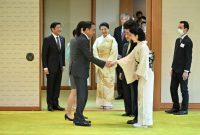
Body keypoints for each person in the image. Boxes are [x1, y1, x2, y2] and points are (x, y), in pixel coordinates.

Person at [110, 20, 154, 128]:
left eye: (131, 34)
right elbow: (128, 59)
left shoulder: (143, 47)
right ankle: (141, 120)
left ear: (137, 35)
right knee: (140, 97)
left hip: (144, 74)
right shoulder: (139, 46)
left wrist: (138, 73)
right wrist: (116, 61)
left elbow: (144, 62)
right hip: (140, 73)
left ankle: (145, 121)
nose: (129, 36)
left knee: (144, 98)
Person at [70, 21, 110, 126]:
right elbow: (89, 57)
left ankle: (79, 115)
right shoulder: (83, 40)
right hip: (79, 71)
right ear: (85, 30)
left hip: (80, 71)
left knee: (83, 95)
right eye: (92, 30)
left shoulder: (83, 39)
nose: (94, 32)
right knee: (82, 95)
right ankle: (78, 118)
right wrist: (104, 63)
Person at [165, 21, 193, 115]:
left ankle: (184, 109)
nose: (179, 29)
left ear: (186, 29)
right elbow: (175, 56)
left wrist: (186, 71)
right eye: (178, 27)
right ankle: (175, 107)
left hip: (183, 71)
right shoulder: (177, 40)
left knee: (184, 89)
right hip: (175, 69)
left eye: (180, 27)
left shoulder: (188, 42)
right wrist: (172, 68)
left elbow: (189, 58)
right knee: (173, 88)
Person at [93, 22, 118, 109]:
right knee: (100, 83)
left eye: (105, 29)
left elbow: (114, 52)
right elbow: (94, 51)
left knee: (108, 83)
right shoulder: (97, 40)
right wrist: (98, 61)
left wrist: (109, 62)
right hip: (100, 64)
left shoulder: (112, 40)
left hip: (108, 64)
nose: (104, 31)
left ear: (108, 29)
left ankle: (107, 102)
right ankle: (101, 102)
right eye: (102, 29)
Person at [42, 22, 65, 111]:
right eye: (58, 27)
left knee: (57, 86)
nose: (60, 29)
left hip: (59, 67)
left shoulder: (62, 39)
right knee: (50, 86)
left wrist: (63, 65)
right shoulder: (47, 39)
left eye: (60, 27)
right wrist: (45, 67)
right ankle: (50, 105)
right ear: (52, 29)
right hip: (50, 67)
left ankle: (56, 104)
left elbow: (62, 54)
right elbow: (44, 54)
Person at [119, 33, 138, 117]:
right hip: (125, 72)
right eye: (125, 35)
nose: (126, 36)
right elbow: (123, 60)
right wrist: (121, 72)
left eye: (128, 35)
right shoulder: (125, 45)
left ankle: (134, 112)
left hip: (132, 72)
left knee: (133, 93)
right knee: (126, 92)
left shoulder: (136, 46)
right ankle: (128, 110)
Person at [113, 13, 130, 100]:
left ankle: (127, 93)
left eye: (125, 19)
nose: (123, 21)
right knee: (118, 73)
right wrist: (117, 54)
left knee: (126, 74)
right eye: (122, 19)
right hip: (118, 55)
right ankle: (120, 93)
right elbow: (114, 43)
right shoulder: (117, 29)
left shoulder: (130, 30)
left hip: (128, 55)